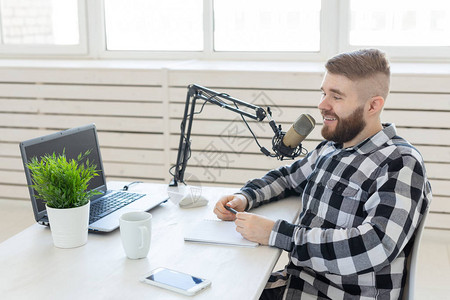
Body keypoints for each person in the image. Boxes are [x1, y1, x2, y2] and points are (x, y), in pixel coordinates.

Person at [214, 49, 432, 300]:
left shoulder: (400, 162)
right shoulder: (333, 147)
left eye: (336, 97)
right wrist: (245, 197)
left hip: (337, 295)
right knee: (216, 285)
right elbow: (289, 178)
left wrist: (277, 234)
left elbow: (376, 244)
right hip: (299, 282)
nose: (322, 105)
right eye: (323, 92)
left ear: (373, 105)